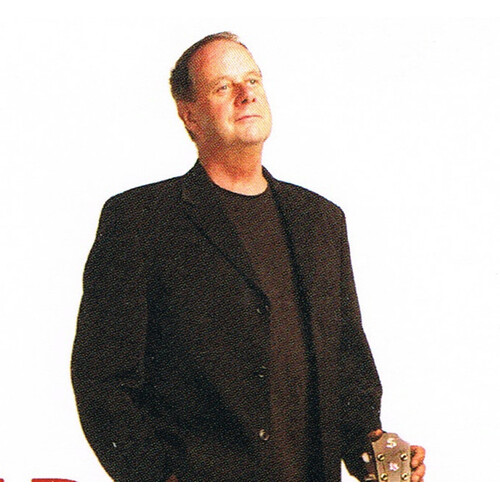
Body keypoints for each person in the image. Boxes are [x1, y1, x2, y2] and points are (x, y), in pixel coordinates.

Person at [71, 32, 426, 482]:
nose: (246, 93)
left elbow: (347, 367)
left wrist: (373, 449)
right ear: (189, 115)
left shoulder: (320, 220)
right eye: (223, 86)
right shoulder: (140, 219)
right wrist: (161, 483)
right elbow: (103, 381)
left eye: (253, 80)